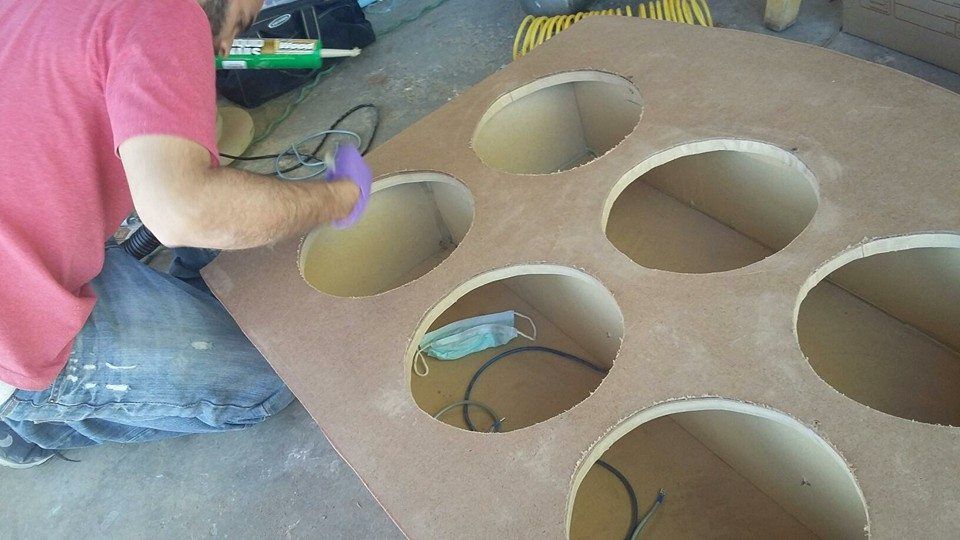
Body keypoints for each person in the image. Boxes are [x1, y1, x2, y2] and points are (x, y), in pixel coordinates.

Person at [0, 0, 371, 468]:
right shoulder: (164, 12)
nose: (231, 44)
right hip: (13, 330)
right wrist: (334, 199)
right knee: (273, 376)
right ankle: (30, 422)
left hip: (29, 243)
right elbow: (180, 211)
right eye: (242, 21)